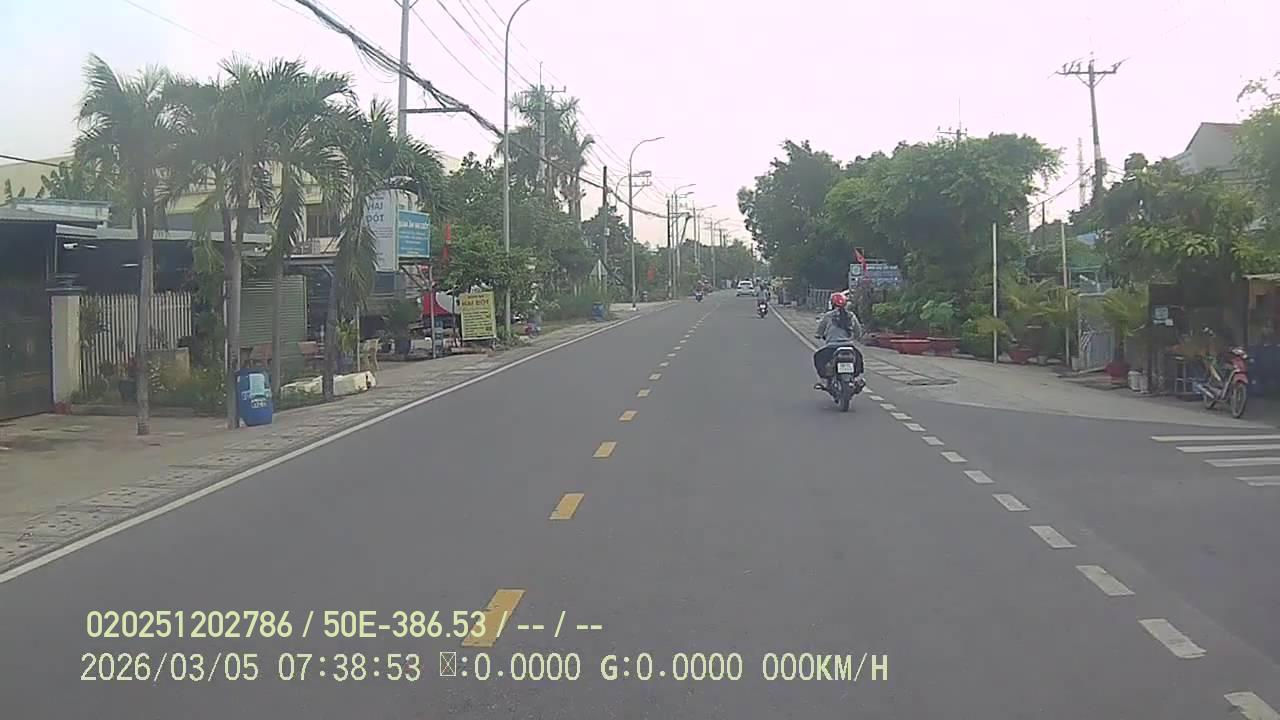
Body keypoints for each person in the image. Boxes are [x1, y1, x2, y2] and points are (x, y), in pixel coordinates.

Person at [813, 291, 863, 390]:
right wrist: (856, 337)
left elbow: (819, 332)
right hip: (849, 346)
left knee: (818, 357)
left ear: (832, 304)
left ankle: (824, 381)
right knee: (859, 359)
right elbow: (858, 332)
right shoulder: (851, 316)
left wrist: (818, 335)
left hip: (832, 347)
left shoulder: (828, 316)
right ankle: (857, 379)